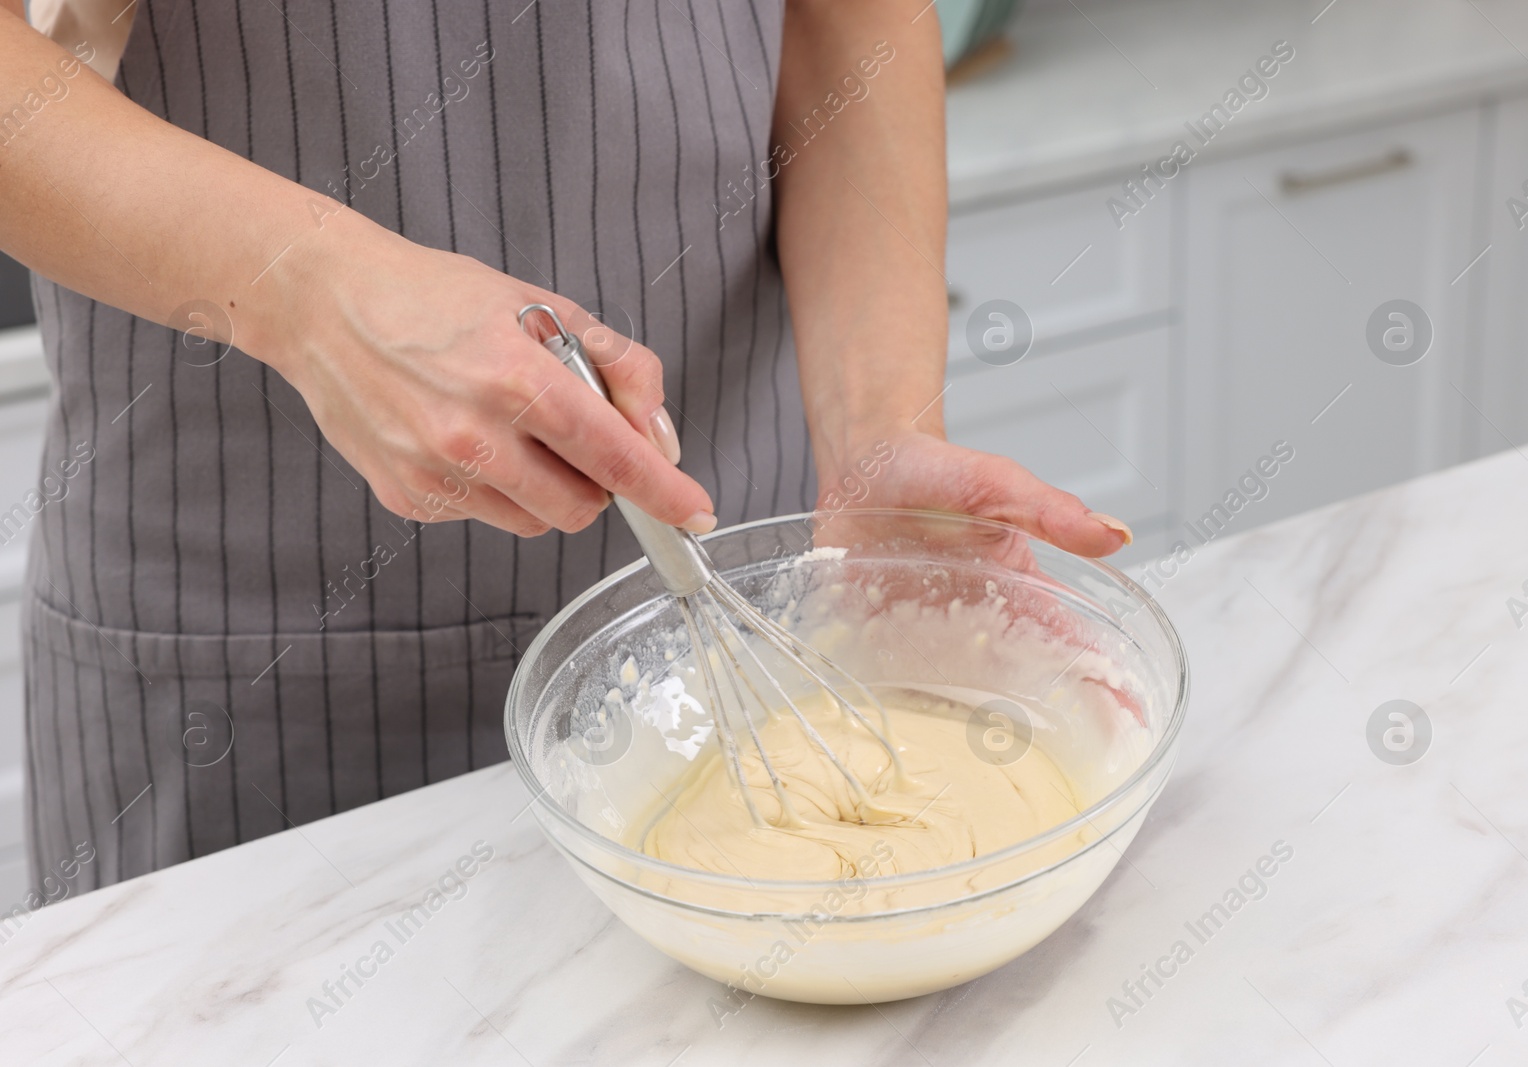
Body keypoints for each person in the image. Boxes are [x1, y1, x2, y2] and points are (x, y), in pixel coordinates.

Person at [0, 0, 1132, 895]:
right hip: (249, 668)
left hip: (755, 599)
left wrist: (880, 426)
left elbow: (849, 19)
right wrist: (301, 287)